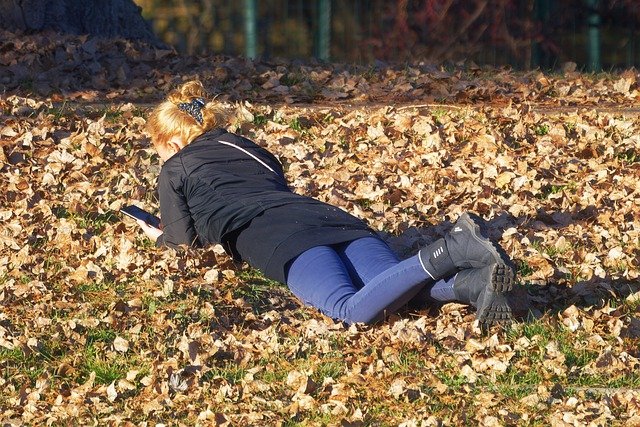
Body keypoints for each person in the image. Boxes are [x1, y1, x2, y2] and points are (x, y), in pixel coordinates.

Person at [135, 80, 518, 327]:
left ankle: (452, 249)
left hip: (274, 237)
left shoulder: (175, 167)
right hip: (329, 218)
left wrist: (157, 235)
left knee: (349, 309)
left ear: (172, 143)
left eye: (159, 151)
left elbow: (182, 243)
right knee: (390, 289)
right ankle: (472, 284)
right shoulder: (249, 148)